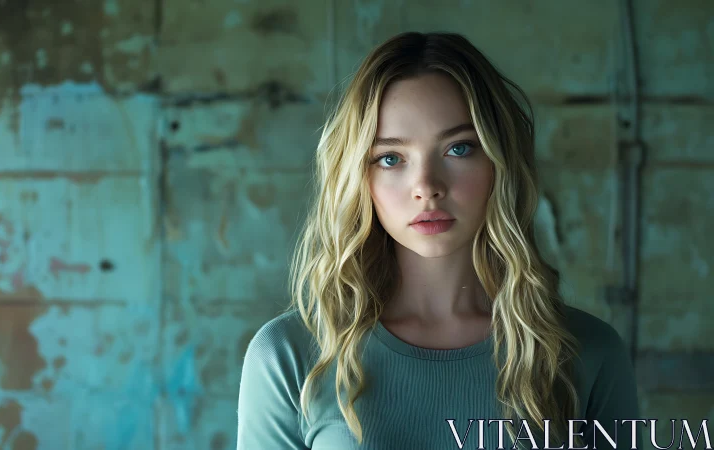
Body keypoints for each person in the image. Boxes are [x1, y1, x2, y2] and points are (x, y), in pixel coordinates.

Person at [236, 32, 642, 450]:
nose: (427, 186)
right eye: (390, 158)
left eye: (459, 148)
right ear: (359, 176)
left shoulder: (586, 352)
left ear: (499, 164)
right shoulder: (290, 355)